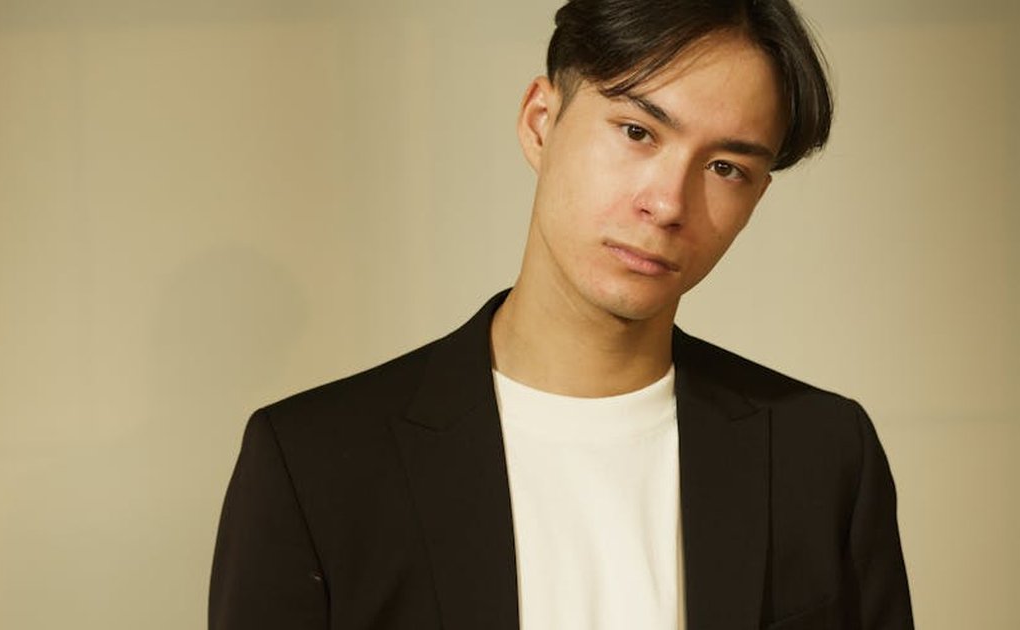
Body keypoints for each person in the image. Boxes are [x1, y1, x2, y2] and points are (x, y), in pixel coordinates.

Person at [209, 0, 914, 628]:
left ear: (755, 198)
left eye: (726, 167)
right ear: (540, 124)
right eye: (638, 131)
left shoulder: (822, 454)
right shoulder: (312, 464)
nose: (668, 203)